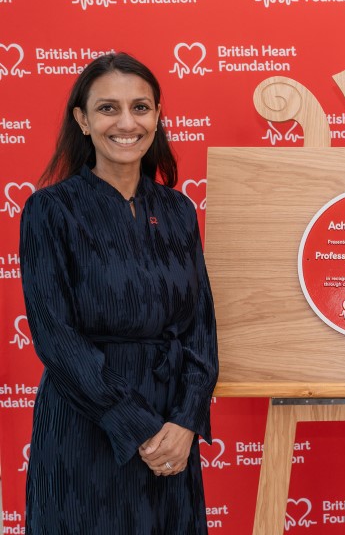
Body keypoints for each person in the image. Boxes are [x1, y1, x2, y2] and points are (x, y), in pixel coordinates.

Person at [20, 52, 219, 533]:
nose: (127, 123)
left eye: (141, 107)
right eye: (108, 108)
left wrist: (185, 422)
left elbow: (200, 328)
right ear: (82, 120)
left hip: (172, 433)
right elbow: (56, 338)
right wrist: (137, 426)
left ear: (157, 116)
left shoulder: (178, 210)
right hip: (86, 426)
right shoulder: (50, 210)